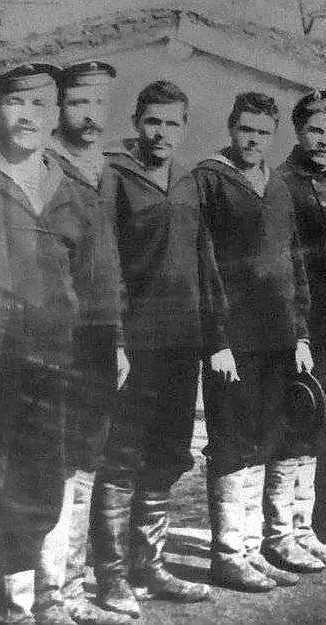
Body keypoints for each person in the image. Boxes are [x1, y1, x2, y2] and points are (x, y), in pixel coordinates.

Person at [0, 63, 121, 625]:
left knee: (41, 479)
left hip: (54, 362)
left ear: (54, 116)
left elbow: (99, 283)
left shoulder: (74, 194)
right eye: (15, 102)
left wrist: (111, 348)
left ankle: (38, 601)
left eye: (40, 105)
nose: (27, 115)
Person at [90, 81, 215, 620]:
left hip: (182, 343)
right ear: (137, 122)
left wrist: (213, 336)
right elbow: (106, 263)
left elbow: (204, 263)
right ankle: (112, 575)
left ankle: (150, 566)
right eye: (153, 122)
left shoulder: (188, 182)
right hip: (135, 344)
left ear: (185, 127)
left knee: (167, 452)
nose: (162, 133)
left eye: (172, 123)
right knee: (122, 455)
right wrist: (115, 340)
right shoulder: (115, 175)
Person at [195, 92, 315, 591]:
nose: (253, 140)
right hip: (234, 339)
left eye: (263, 133)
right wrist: (216, 339)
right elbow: (203, 264)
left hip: (278, 336)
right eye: (246, 129)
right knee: (231, 441)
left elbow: (295, 261)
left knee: (265, 437)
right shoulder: (209, 179)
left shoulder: (279, 185)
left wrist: (301, 332)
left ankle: (252, 549)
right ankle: (227, 555)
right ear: (231, 127)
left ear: (274, 136)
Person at [43, 61, 131, 625]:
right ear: (59, 107)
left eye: (100, 102)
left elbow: (110, 264)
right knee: (50, 466)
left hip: (99, 339)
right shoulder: (41, 166)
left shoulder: (106, 171)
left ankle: (72, 588)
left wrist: (118, 339)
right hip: (52, 339)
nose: (91, 114)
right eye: (79, 102)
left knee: (84, 462)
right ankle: (47, 596)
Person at [274, 90, 326, 568]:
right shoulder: (282, 183)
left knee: (322, 424)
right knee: (296, 425)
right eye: (315, 131)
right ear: (298, 132)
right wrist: (297, 331)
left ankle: (308, 529)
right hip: (301, 325)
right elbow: (285, 264)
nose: (323, 140)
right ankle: (281, 535)